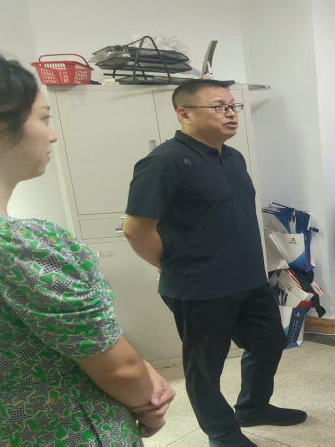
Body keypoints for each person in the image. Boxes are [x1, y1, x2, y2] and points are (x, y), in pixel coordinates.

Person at [0, 48, 175, 446]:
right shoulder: (17, 243)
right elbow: (120, 370)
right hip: (66, 428)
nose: (52, 134)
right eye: (43, 118)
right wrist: (149, 400)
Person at [123, 80, 305, 447]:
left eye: (233, 106)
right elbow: (136, 229)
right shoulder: (163, 162)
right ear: (184, 114)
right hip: (199, 287)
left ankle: (253, 406)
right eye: (219, 107)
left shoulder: (232, 157)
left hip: (248, 279)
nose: (230, 114)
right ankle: (221, 433)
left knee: (269, 341)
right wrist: (170, 264)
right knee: (205, 367)